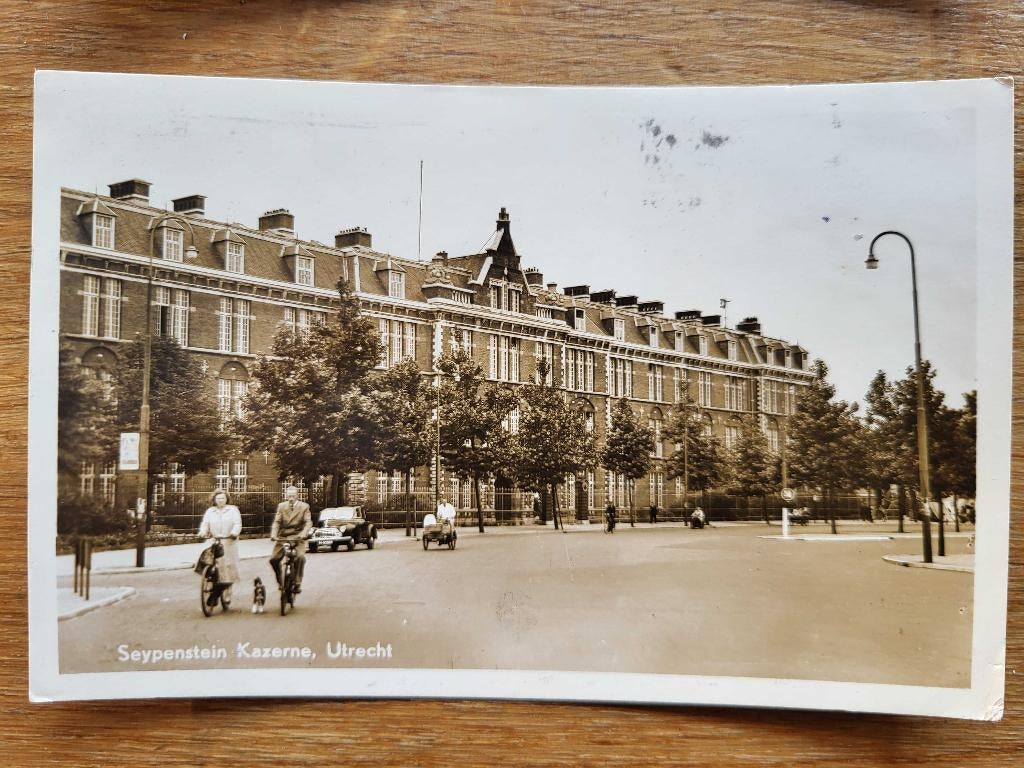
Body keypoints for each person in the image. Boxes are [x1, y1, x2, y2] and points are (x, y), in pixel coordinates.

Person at [198, 489, 242, 605]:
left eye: (223, 498)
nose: (220, 500)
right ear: (214, 500)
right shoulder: (210, 511)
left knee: (228, 568)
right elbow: (205, 524)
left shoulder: (233, 510)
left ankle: (227, 591)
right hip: (214, 541)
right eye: (218, 499)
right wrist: (202, 532)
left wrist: (234, 533)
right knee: (208, 561)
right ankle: (209, 580)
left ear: (227, 499)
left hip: (228, 542)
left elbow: (237, 524)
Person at [270, 485, 312, 594]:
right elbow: (277, 522)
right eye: (289, 496)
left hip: (298, 538)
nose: (291, 498)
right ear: (286, 496)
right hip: (283, 537)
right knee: (273, 559)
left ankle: (297, 582)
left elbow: (308, 522)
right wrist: (274, 534)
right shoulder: (281, 506)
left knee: (300, 557)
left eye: (293, 496)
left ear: (297, 496)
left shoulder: (304, 507)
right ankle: (280, 581)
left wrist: (304, 533)